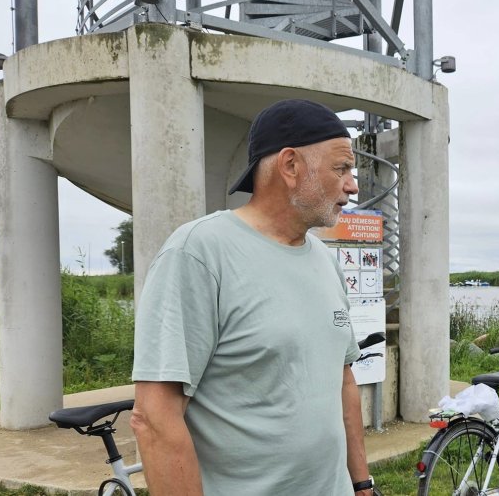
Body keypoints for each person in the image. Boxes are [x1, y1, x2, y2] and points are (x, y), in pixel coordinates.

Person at [130, 99, 377, 496]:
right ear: (291, 166)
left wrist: (361, 482)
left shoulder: (324, 260)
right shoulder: (198, 252)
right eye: (341, 168)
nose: (352, 184)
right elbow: (155, 417)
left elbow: (342, 379)